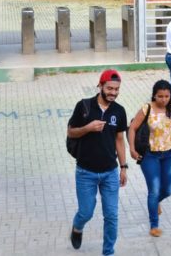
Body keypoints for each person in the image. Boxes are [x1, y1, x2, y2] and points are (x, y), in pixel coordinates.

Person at [67, 69, 129, 255]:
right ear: (100, 86)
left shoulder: (119, 111)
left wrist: (123, 167)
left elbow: (120, 139)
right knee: (86, 212)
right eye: (109, 88)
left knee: (111, 216)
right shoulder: (84, 106)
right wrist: (88, 128)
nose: (113, 93)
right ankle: (77, 227)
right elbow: (71, 132)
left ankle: (108, 252)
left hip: (110, 172)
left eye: (116, 89)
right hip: (86, 172)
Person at [127, 80, 171, 237]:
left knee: (169, 190)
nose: (164, 100)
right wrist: (132, 149)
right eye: (160, 96)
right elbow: (132, 128)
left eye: (167, 96)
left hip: (169, 155)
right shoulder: (147, 109)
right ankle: (154, 225)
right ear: (154, 96)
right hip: (150, 156)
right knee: (154, 190)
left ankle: (156, 202)